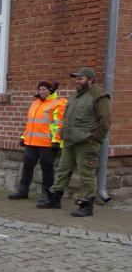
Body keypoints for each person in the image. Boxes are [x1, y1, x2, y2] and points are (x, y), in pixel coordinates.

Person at [39, 67, 111, 217]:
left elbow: (105, 121)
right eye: (76, 79)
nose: (77, 81)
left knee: (87, 173)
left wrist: (95, 139)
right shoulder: (74, 96)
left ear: (90, 80)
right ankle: (55, 199)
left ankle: (86, 205)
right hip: (69, 141)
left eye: (81, 78)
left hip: (88, 144)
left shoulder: (99, 96)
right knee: (62, 170)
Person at [8, 80, 66, 206]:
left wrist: (56, 141)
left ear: (51, 90)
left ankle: (46, 195)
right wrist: (24, 137)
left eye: (44, 89)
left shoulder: (58, 103)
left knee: (47, 169)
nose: (41, 91)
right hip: (31, 142)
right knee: (27, 167)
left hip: (47, 144)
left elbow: (58, 124)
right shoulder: (35, 103)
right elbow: (30, 123)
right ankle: (23, 191)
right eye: (40, 89)